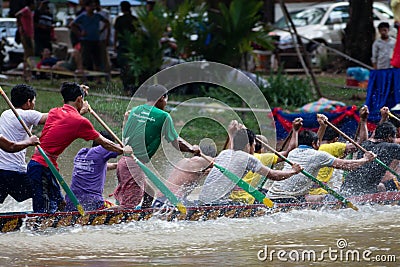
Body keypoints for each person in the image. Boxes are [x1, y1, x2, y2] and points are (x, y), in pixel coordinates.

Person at [27, 82, 125, 213]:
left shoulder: (54, 112)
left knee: (61, 205)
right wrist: (124, 150)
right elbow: (105, 143)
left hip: (44, 167)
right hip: (41, 168)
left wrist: (80, 96)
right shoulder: (80, 122)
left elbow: (71, 119)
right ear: (79, 100)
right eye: (81, 99)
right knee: (42, 214)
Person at [111, 84, 200, 209]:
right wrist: (192, 149)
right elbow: (176, 142)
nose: (166, 103)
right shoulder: (163, 116)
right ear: (162, 98)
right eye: (166, 99)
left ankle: (144, 219)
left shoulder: (135, 110)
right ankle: (96, 218)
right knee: (128, 206)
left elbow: (125, 132)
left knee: (149, 194)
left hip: (123, 162)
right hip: (134, 165)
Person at [266, 129, 376, 203]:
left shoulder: (292, 152)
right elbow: (347, 166)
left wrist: (295, 130)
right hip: (288, 199)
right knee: (334, 198)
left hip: (271, 196)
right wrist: (365, 159)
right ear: (315, 144)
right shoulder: (319, 155)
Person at [198, 128, 303, 204]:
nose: (254, 147)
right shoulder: (248, 158)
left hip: (202, 199)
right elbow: (274, 175)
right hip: (219, 203)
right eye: (253, 144)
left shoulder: (224, 153)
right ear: (248, 145)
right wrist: (294, 171)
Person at [229, 117, 303, 204]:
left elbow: (233, 146)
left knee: (263, 190)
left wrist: (233, 133)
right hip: (248, 199)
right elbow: (289, 151)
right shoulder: (262, 158)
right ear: (262, 148)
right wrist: (295, 131)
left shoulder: (231, 155)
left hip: (230, 198)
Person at [0, 84, 46, 204]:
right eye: (34, 101)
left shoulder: (4, 114)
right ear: (28, 102)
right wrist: (78, 109)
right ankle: (42, 218)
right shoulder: (28, 114)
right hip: (14, 171)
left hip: (1, 171)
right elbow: (57, 118)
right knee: (41, 190)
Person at [65, 131, 131, 211]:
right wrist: (128, 147)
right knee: (121, 209)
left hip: (72, 201)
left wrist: (117, 165)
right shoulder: (102, 149)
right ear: (107, 144)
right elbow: (121, 149)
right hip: (92, 201)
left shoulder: (81, 153)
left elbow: (98, 166)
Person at [308, 109, 369, 196]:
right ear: (336, 140)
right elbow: (362, 144)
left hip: (308, 190)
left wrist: (322, 126)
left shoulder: (313, 147)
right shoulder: (333, 147)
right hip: (320, 192)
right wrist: (363, 121)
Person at [341, 121, 400, 196]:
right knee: (394, 183)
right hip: (366, 191)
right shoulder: (392, 147)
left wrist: (363, 119)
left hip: (347, 187)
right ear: (389, 137)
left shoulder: (365, 144)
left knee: (380, 185)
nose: (395, 140)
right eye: (394, 137)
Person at [153, 140, 217, 207]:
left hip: (162, 198)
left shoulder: (187, 162)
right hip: (173, 199)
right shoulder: (197, 161)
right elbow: (219, 161)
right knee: (206, 206)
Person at [70, 0, 110, 74]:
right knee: (86, 59)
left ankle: (97, 78)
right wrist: (79, 33)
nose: (92, 8)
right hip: (86, 40)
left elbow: (107, 22)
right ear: (86, 7)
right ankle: (84, 77)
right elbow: (72, 24)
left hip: (95, 39)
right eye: (91, 6)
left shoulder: (97, 16)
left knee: (97, 59)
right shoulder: (83, 16)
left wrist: (101, 30)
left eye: (93, 6)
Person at [114, 0, 138, 95]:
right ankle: (131, 86)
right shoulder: (134, 19)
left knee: (124, 66)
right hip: (132, 45)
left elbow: (116, 33)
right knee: (131, 66)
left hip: (123, 45)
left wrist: (114, 44)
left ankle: (126, 87)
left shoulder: (119, 19)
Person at [15, 0, 35, 81]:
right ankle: (26, 74)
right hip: (26, 34)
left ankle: (28, 72)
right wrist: (21, 26)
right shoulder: (26, 9)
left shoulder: (30, 11)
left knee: (29, 54)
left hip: (29, 34)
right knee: (28, 55)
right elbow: (17, 14)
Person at [95, 0, 111, 77]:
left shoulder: (105, 13)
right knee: (97, 58)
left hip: (103, 38)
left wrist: (107, 37)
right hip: (95, 39)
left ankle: (107, 75)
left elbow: (108, 25)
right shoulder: (94, 14)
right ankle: (98, 76)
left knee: (104, 57)